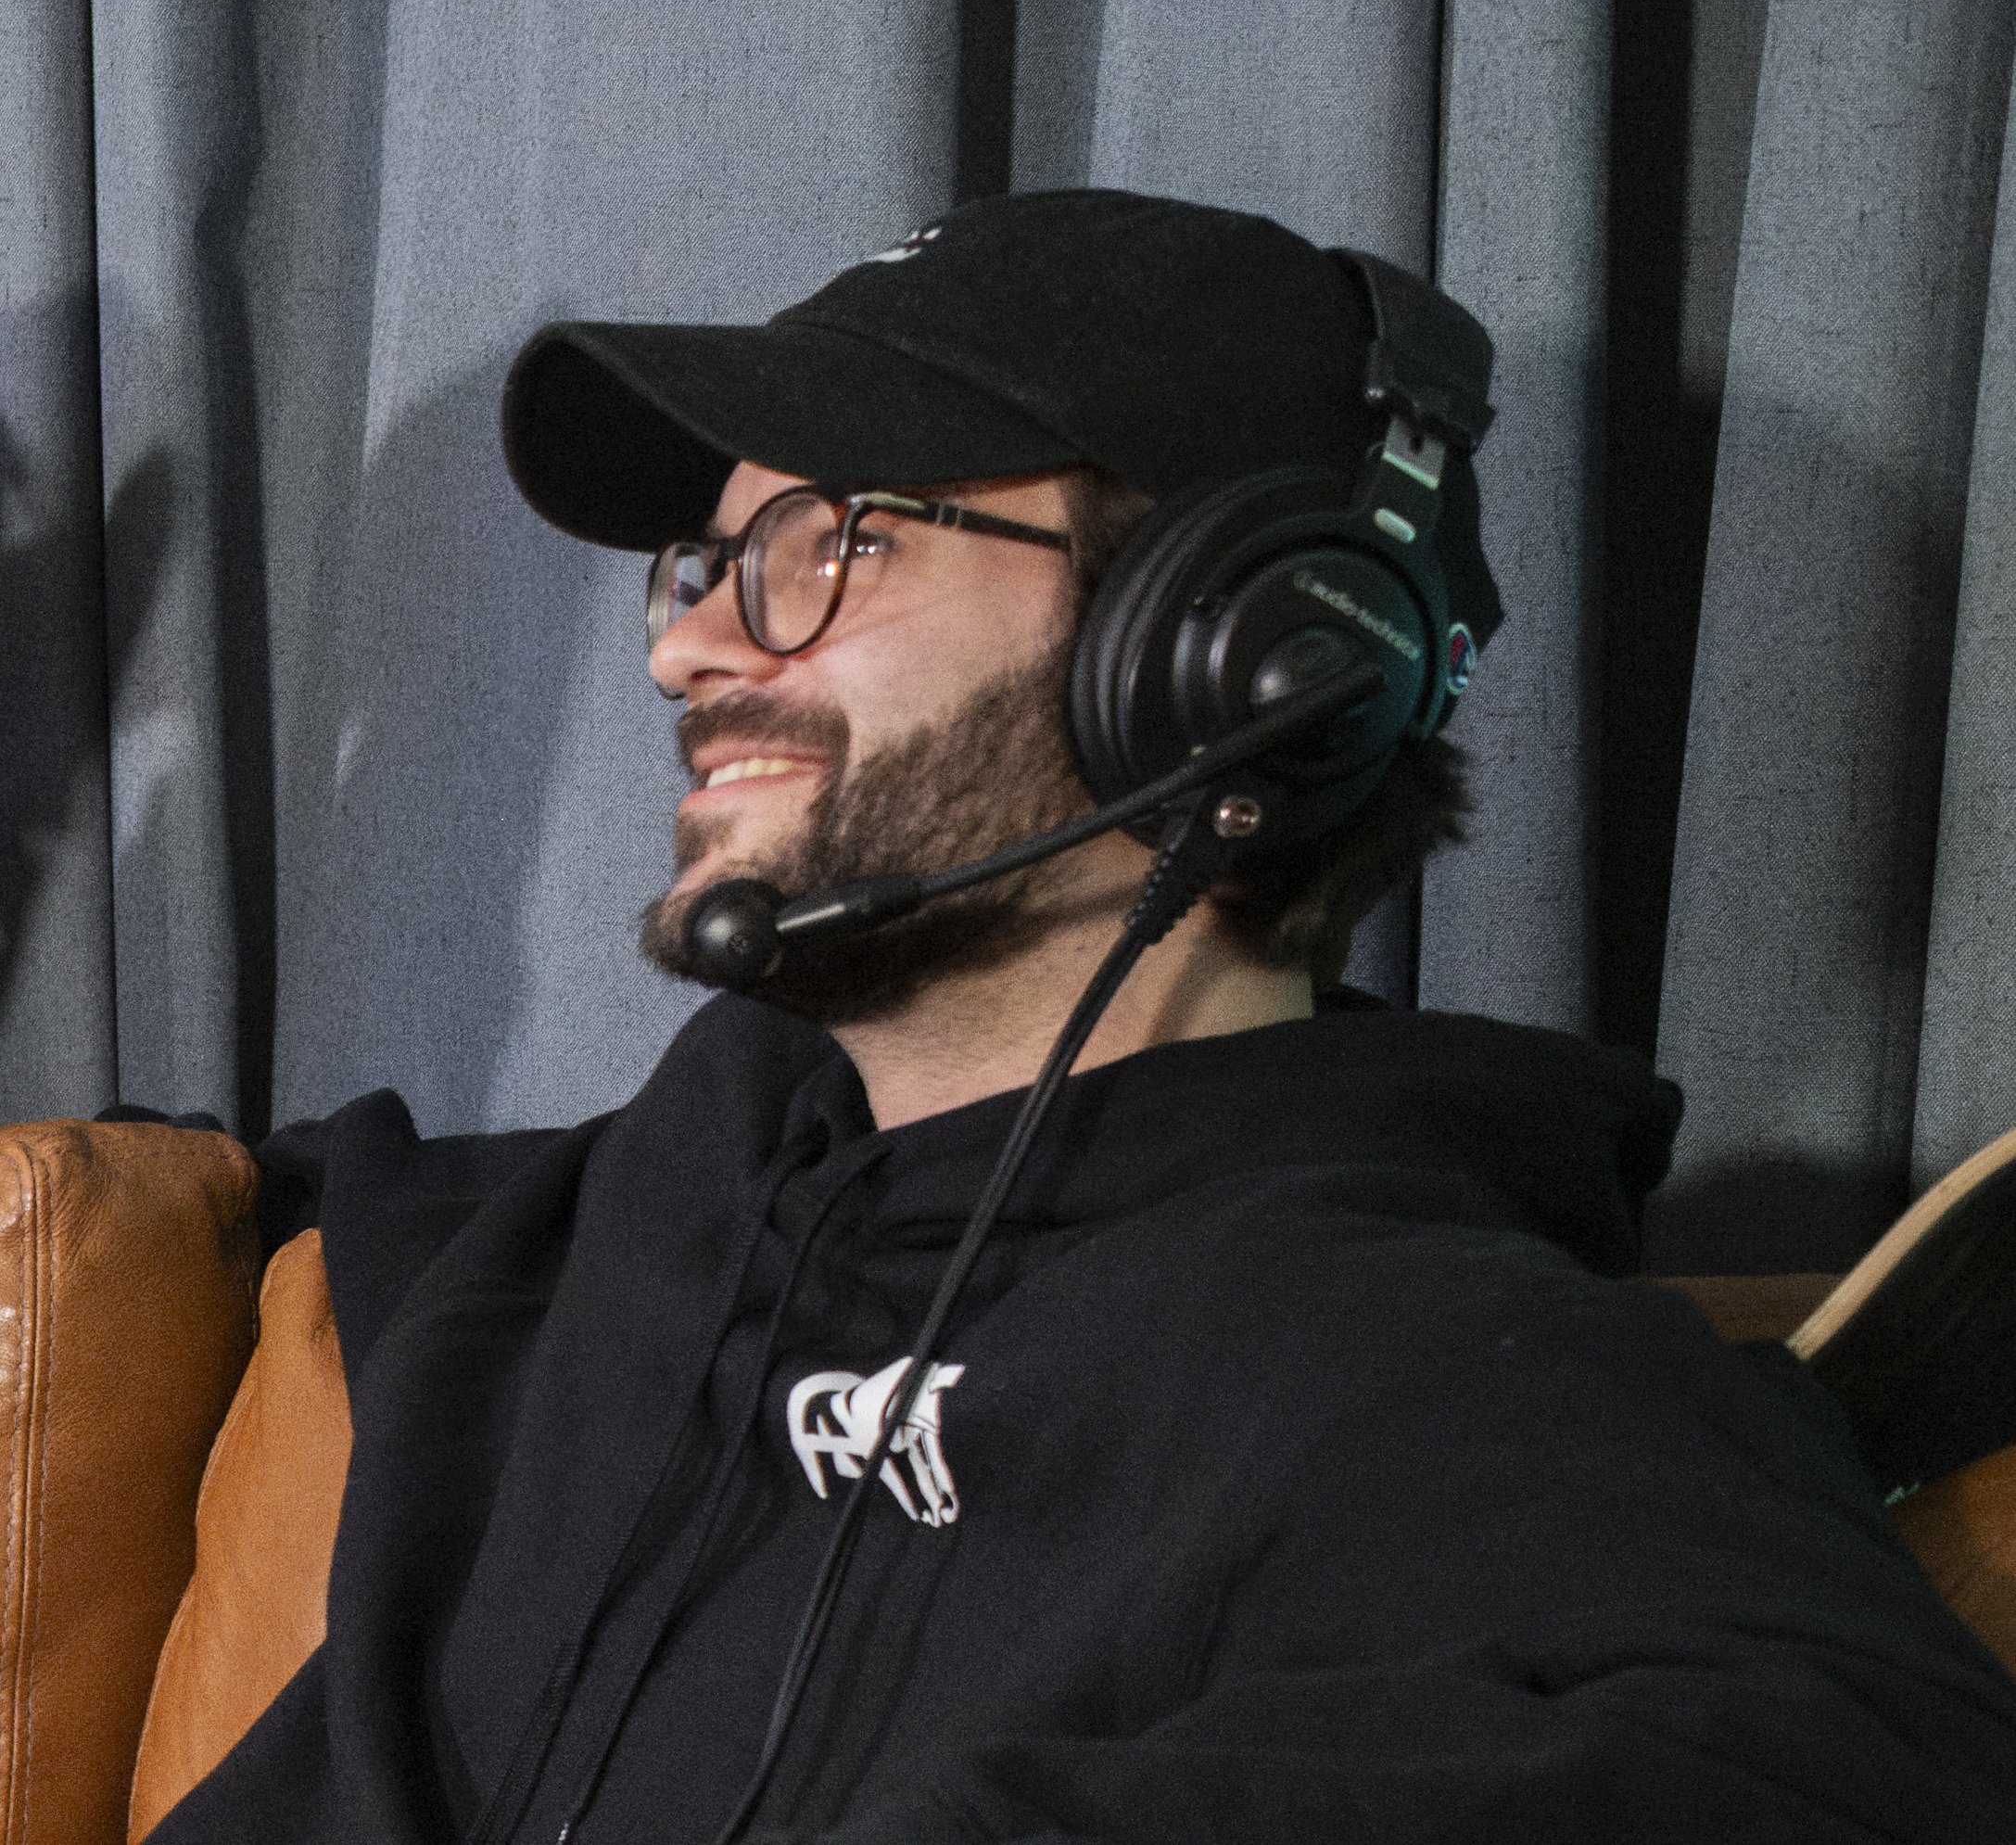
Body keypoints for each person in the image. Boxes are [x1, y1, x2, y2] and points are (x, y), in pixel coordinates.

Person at [159, 192, 2016, 1843]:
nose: (688, 643)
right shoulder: (654, 1192)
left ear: (1245, 653)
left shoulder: (1409, 1350)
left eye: (837, 538)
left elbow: (1839, 1759)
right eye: (706, 563)